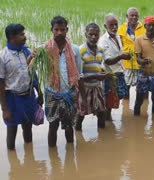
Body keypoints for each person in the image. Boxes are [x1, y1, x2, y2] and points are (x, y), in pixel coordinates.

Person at [0, 24, 43, 150]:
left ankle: (29, 156)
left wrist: (39, 92)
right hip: (12, 98)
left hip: (28, 96)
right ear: (12, 37)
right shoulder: (3, 56)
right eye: (22, 34)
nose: (25, 36)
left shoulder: (26, 51)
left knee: (28, 126)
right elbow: (1, 84)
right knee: (12, 128)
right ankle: (12, 160)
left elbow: (32, 73)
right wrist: (5, 109)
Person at [43, 16, 83, 147]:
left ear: (67, 30)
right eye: (56, 29)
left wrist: (82, 96)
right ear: (52, 30)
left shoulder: (75, 50)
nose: (59, 32)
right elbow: (33, 69)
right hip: (52, 93)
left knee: (69, 126)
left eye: (62, 29)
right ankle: (53, 158)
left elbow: (79, 74)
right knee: (52, 126)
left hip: (69, 93)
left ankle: (70, 156)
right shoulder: (44, 50)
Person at [75, 23, 108, 131]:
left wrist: (103, 73)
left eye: (96, 35)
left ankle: (102, 139)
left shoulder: (101, 50)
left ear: (99, 35)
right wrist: (95, 76)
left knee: (102, 113)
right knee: (81, 114)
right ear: (86, 35)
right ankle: (78, 136)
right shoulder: (80, 51)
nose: (93, 37)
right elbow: (77, 76)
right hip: (84, 87)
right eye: (91, 34)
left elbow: (99, 66)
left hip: (97, 86)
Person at [98, 14, 131, 120]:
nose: (114, 27)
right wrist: (121, 56)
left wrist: (124, 57)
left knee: (116, 97)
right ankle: (107, 120)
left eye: (116, 24)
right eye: (111, 25)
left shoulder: (117, 36)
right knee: (109, 100)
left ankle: (108, 119)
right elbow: (107, 61)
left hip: (119, 72)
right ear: (105, 26)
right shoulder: (103, 40)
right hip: (110, 75)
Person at [118, 7, 146, 99]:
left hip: (141, 63)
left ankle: (141, 109)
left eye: (136, 16)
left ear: (138, 17)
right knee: (126, 88)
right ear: (127, 16)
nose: (134, 17)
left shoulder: (144, 28)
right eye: (131, 15)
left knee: (142, 89)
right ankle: (126, 109)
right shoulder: (122, 29)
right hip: (127, 63)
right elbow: (119, 45)